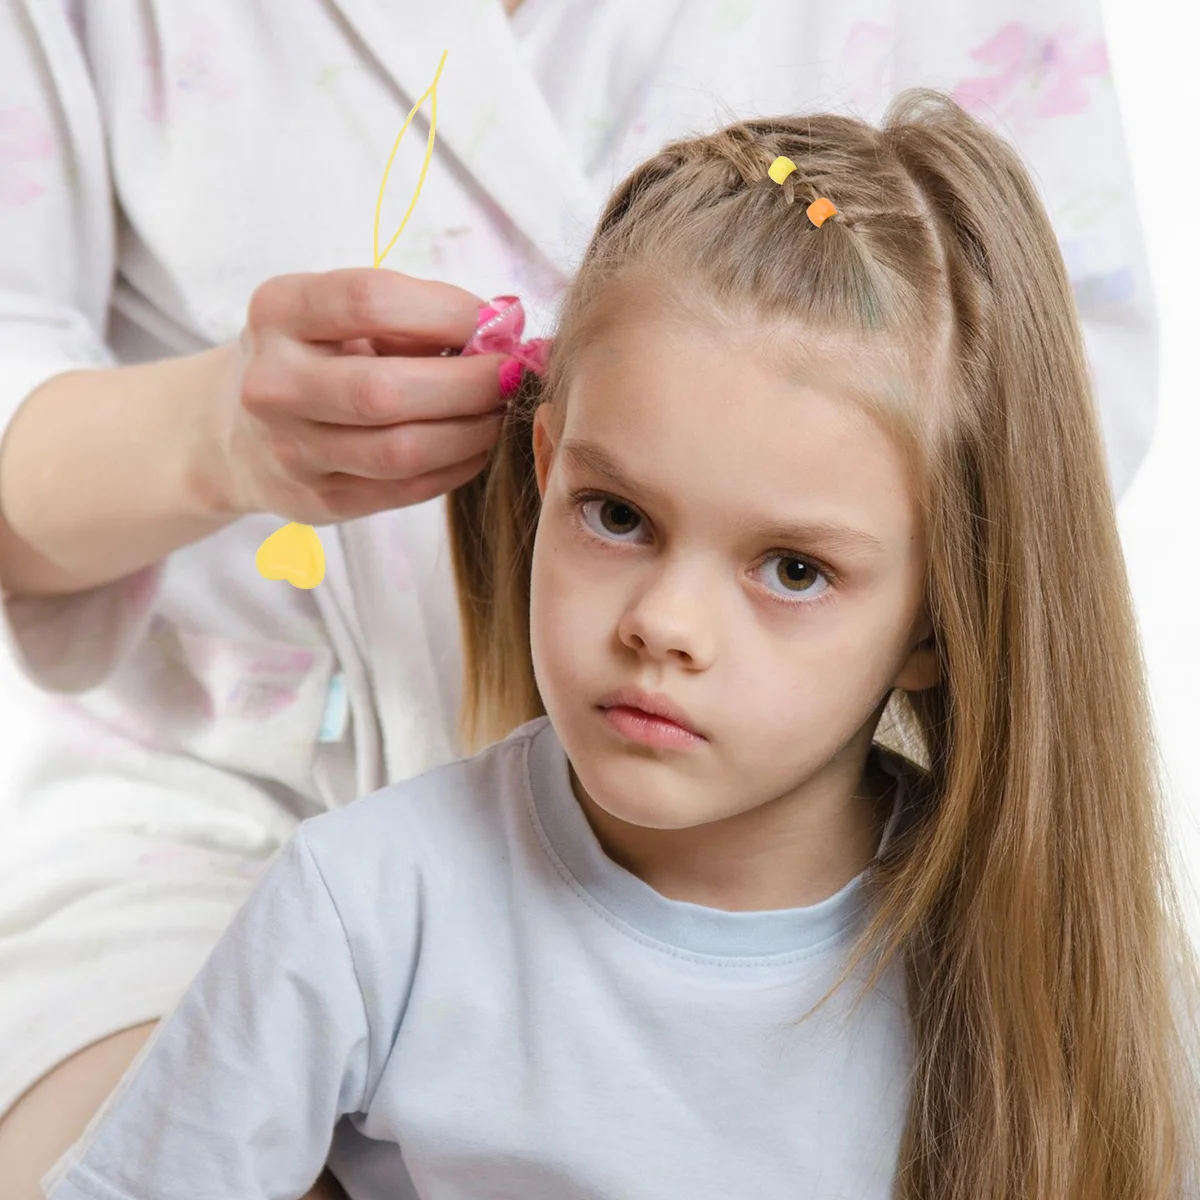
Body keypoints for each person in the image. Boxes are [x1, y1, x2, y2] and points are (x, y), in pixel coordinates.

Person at [0, 0, 1163, 1196]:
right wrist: (211, 438)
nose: (665, 623)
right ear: (548, 467)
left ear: (938, 614)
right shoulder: (354, 906)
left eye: (795, 569)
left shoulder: (1045, 980)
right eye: (620, 515)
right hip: (201, 811)